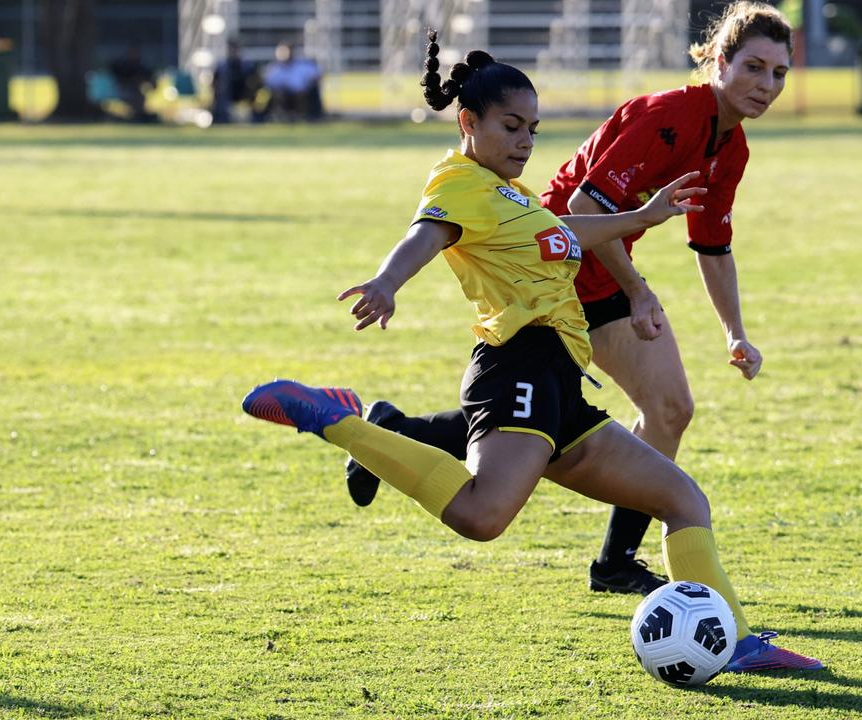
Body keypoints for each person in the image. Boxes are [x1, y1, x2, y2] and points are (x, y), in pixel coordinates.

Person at [242, 31, 823, 673]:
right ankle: (339, 422)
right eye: (511, 126)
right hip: (516, 364)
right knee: (483, 515)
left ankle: (736, 642)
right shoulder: (462, 184)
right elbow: (425, 233)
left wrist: (645, 217)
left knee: (684, 499)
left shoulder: (510, 194)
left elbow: (565, 228)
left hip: (559, 380)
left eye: (533, 130)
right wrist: (385, 281)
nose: (525, 142)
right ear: (469, 122)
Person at [343, 1, 792, 598]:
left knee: (620, 421)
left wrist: (733, 331)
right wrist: (639, 291)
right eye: (755, 67)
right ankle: (617, 562)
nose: (767, 85)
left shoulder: (728, 149)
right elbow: (578, 211)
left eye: (779, 73)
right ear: (718, 60)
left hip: (583, 279)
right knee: (659, 412)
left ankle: (401, 430)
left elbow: (711, 243)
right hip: (567, 281)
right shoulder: (667, 117)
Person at [263, 43, 323, 120]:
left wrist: (309, 83)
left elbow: (316, 75)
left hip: (302, 96)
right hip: (283, 97)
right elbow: (269, 83)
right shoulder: (274, 69)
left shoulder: (302, 65)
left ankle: (304, 116)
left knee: (302, 96)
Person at [109, 45, 156, 122]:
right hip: (123, 90)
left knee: (139, 97)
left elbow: (149, 77)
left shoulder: (141, 66)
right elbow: (117, 76)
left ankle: (138, 116)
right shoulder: (123, 65)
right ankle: (135, 116)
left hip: (136, 91)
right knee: (134, 97)